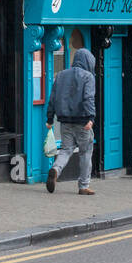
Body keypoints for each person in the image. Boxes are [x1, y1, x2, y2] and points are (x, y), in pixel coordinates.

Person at [46, 47, 96, 195]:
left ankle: (55, 169)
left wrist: (49, 118)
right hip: (82, 122)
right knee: (85, 152)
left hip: (65, 121)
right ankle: (83, 186)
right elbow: (88, 98)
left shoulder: (61, 75)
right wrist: (90, 117)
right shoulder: (88, 77)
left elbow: (53, 98)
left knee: (66, 150)